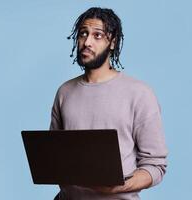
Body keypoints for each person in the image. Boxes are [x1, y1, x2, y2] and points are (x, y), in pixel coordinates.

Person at [50, 7, 168, 200]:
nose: (87, 42)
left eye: (97, 35)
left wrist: (116, 188)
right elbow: (54, 155)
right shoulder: (64, 92)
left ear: (112, 42)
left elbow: (155, 165)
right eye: (83, 34)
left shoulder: (139, 93)